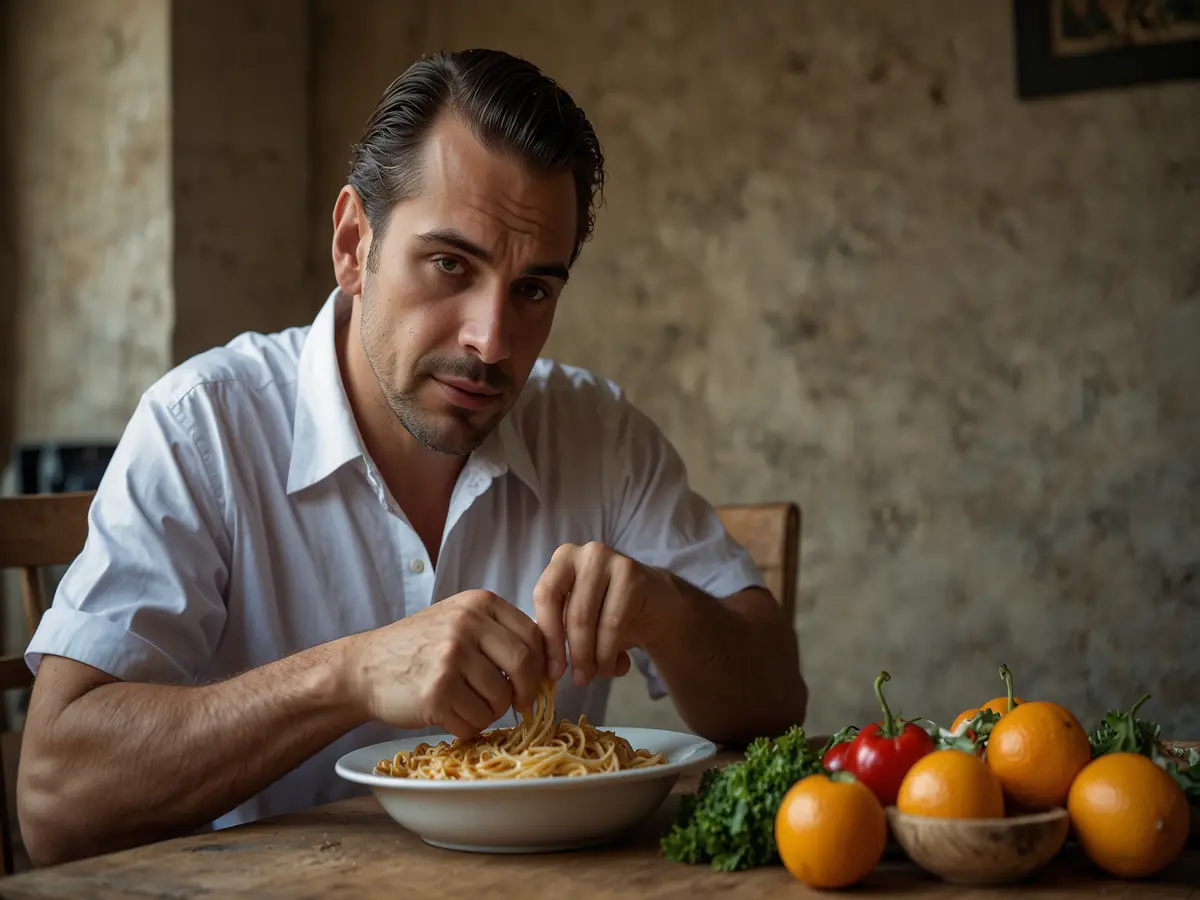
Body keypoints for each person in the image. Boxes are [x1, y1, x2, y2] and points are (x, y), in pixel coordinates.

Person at [16, 48, 807, 867]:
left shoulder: (599, 433)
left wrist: (669, 611)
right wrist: (350, 674)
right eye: (450, 264)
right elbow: (54, 802)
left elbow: (776, 701)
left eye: (534, 290)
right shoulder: (202, 426)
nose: (491, 340)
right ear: (353, 243)